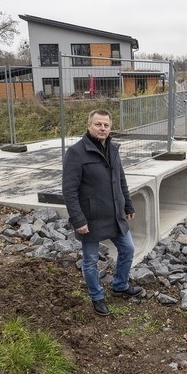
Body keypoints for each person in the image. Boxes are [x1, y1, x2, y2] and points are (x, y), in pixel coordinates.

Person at [62, 109, 142, 316]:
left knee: (128, 249)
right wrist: (78, 219)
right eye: (98, 124)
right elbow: (69, 190)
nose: (102, 128)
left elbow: (121, 179)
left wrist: (128, 205)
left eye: (106, 125)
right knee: (90, 260)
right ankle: (97, 296)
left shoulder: (113, 149)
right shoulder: (76, 153)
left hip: (115, 213)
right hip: (91, 217)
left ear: (110, 127)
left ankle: (120, 285)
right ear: (89, 125)